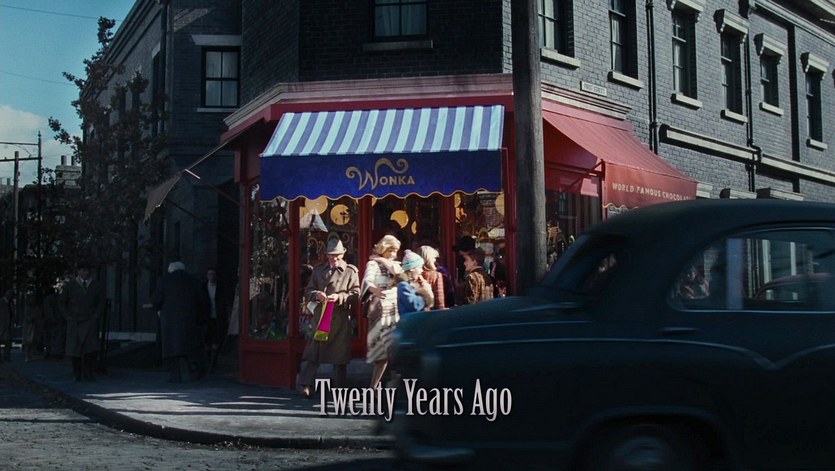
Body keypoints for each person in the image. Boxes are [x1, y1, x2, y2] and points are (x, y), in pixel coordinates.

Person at [297, 239, 360, 398]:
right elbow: (308, 291)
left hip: (340, 318)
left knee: (339, 356)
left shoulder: (350, 271)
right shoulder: (318, 270)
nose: (334, 258)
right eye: (331, 255)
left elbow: (356, 294)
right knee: (314, 352)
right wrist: (317, 294)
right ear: (327, 255)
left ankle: (340, 390)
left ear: (343, 254)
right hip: (321, 317)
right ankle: (305, 385)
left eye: (337, 255)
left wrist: (339, 297)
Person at [152, 261, 210, 383]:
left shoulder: (164, 280)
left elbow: (156, 299)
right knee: (190, 349)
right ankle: (193, 373)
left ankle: (175, 376)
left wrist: (159, 310)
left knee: (172, 349)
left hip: (169, 320)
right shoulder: (193, 281)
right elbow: (203, 300)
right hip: (190, 319)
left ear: (171, 269)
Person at [361, 234, 403, 389]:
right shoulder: (372, 264)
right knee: (381, 353)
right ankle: (373, 387)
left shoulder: (396, 264)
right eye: (390, 250)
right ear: (383, 248)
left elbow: (400, 275)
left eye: (395, 251)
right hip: (379, 310)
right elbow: (367, 281)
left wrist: (383, 260)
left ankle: (396, 385)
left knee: (395, 350)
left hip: (395, 309)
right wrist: (374, 289)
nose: (393, 254)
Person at [58, 262, 106, 381]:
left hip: (90, 320)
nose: (86, 273)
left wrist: (96, 316)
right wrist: (67, 316)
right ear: (78, 271)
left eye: (87, 270)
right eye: (83, 270)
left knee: (90, 348)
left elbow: (101, 302)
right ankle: (77, 373)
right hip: (75, 320)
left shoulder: (96, 286)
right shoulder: (70, 286)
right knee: (75, 348)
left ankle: (88, 372)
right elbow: (62, 302)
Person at [204, 267, 231, 372]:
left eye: (213, 274)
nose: (211, 277)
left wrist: (227, 315)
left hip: (218, 316)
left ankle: (213, 363)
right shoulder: (203, 287)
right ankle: (208, 361)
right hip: (207, 316)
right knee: (207, 340)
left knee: (216, 339)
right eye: (209, 274)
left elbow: (225, 302)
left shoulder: (221, 288)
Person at [417, 245, 446, 310]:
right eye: (433, 258)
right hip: (432, 312)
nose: (435, 260)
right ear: (428, 259)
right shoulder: (436, 275)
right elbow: (440, 301)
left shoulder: (415, 275)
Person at [22, 291, 44, 362]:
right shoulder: (28, 308)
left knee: (34, 341)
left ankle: (31, 354)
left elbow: (40, 316)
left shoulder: (37, 308)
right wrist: (31, 318)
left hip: (35, 326)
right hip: (29, 326)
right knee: (28, 341)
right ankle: (27, 355)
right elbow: (26, 317)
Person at [0, 289, 13, 363]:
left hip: (8, 324)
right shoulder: (2, 302)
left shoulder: (10, 303)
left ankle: (6, 356)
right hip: (2, 324)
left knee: (8, 341)